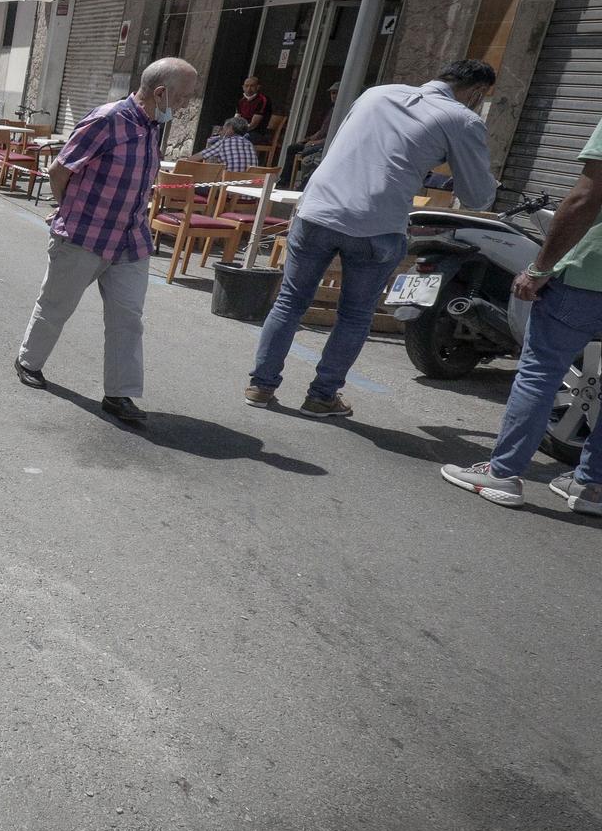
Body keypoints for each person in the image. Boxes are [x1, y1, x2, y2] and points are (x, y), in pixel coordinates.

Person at [246, 61, 499, 416]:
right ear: (476, 91)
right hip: (376, 224)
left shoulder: (376, 94)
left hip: (318, 209)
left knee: (290, 302)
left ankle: (261, 386)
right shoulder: (462, 119)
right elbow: (477, 197)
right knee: (354, 314)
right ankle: (322, 396)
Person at [16, 57, 202, 426]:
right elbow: (59, 170)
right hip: (85, 235)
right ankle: (28, 361)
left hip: (130, 240)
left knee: (127, 319)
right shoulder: (107, 119)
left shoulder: (151, 126)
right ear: (160, 93)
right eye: (181, 100)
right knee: (56, 305)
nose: (182, 108)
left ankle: (119, 394)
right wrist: (68, 211)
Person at [440, 117, 602, 513]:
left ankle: (503, 474)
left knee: (541, 371)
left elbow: (585, 197)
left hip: (589, 274)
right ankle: (592, 487)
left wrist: (540, 267)